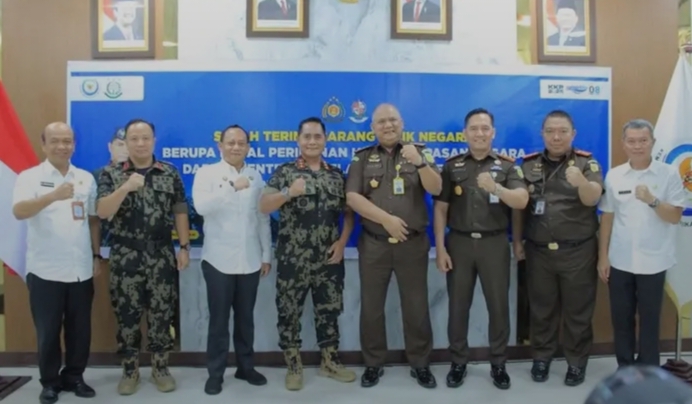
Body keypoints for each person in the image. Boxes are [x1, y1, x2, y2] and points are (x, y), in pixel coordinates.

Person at [345, 103, 442, 389]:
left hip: (412, 245)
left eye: (393, 120)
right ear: (373, 127)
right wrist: (386, 220)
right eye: (381, 122)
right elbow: (352, 197)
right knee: (371, 308)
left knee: (416, 306)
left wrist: (420, 163)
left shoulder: (420, 152)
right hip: (374, 245)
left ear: (402, 123)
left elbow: (437, 189)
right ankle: (373, 364)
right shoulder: (362, 158)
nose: (388, 125)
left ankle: (420, 364)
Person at [433, 108, 529, 390]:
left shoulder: (508, 167)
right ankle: (458, 362)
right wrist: (440, 248)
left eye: (485, 128)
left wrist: (496, 188)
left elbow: (521, 200)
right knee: (458, 306)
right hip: (459, 243)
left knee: (498, 307)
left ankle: (498, 363)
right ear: (465, 133)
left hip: (494, 244)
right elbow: (440, 209)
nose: (479, 133)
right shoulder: (452, 167)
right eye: (474, 128)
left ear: (493, 133)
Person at [259, 117, 356, 391]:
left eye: (317, 136)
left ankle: (330, 362)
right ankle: (293, 365)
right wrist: (288, 192)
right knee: (289, 312)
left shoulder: (336, 175)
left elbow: (349, 214)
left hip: (329, 259)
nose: (312, 141)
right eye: (307, 136)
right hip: (293, 258)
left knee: (329, 311)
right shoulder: (285, 172)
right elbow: (264, 205)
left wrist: (342, 243)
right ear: (298, 140)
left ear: (325, 140)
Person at [96, 118, 190, 395]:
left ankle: (161, 368)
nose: (140, 143)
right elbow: (102, 211)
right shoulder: (111, 173)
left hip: (161, 254)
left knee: (162, 314)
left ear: (153, 141)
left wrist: (184, 247)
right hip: (126, 255)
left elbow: (180, 210)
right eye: (134, 138)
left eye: (145, 138)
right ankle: (130, 371)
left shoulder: (169, 172)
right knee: (127, 315)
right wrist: (125, 187)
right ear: (125, 142)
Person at [512, 109, 603, 387]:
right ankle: (542, 357)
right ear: (542, 134)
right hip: (539, 251)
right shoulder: (528, 165)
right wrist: (517, 241)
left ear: (573, 134)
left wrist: (582, 182)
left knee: (578, 311)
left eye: (563, 131)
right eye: (550, 131)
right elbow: (520, 208)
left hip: (578, 251)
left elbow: (593, 198)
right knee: (542, 309)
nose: (556, 137)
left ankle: (576, 362)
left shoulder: (587, 163)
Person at [12, 122, 101, 404]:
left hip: (80, 269)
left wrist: (96, 255)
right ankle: (49, 382)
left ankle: (75, 376)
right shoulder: (30, 177)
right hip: (45, 270)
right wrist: (52, 195)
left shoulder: (85, 178)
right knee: (48, 332)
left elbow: (92, 220)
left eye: (67, 141)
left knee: (80, 331)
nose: (62, 146)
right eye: (56, 141)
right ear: (44, 144)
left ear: (74, 144)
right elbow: (19, 211)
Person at [598, 119, 685, 368]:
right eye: (632, 141)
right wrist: (603, 257)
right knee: (621, 318)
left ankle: (648, 370)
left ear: (652, 142)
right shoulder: (614, 175)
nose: (637, 146)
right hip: (620, 260)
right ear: (623, 144)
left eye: (643, 141)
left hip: (654, 260)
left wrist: (652, 200)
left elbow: (675, 216)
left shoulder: (669, 174)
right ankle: (625, 367)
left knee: (650, 320)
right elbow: (607, 218)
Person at [192, 125, 272, 395]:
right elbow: (201, 207)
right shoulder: (206, 173)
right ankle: (215, 373)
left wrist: (266, 254)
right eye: (230, 142)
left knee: (245, 319)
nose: (236, 147)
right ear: (220, 146)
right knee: (218, 321)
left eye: (241, 143)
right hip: (218, 260)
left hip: (250, 259)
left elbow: (261, 217)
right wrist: (231, 188)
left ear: (248, 147)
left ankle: (245, 367)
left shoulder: (255, 175)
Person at [92, 128, 128, 249]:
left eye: (128, 145)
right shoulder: (96, 176)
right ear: (110, 147)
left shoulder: (139, 176)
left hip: (131, 244)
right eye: (120, 145)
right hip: (104, 243)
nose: (124, 150)